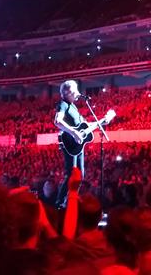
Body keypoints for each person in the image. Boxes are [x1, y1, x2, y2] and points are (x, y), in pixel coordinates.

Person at [54, 79, 86, 209]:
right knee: (71, 174)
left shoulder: (73, 107)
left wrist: (102, 121)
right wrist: (73, 133)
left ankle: (71, 200)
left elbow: (82, 126)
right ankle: (60, 204)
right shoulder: (63, 104)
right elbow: (57, 121)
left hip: (78, 144)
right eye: (75, 90)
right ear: (68, 92)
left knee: (80, 175)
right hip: (70, 143)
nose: (78, 93)